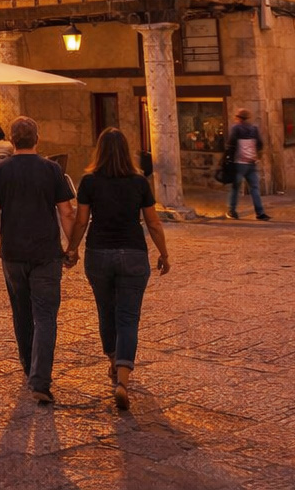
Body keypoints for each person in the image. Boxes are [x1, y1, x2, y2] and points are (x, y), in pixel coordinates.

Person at [65, 127, 171, 410]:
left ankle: (113, 360)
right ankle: (123, 380)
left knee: (106, 310)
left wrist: (72, 249)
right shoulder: (138, 182)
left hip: (99, 253)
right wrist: (164, 253)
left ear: (99, 151)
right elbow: (153, 223)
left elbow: (81, 221)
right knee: (128, 316)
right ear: (127, 151)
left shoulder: (89, 181)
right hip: (133, 253)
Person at [0, 116, 76, 406]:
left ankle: (28, 367)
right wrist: (72, 247)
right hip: (46, 253)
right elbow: (67, 212)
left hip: (13, 253)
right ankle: (41, 380)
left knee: (21, 312)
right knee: (45, 316)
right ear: (38, 138)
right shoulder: (52, 169)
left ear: (12, 140)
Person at [224, 108, 270, 221]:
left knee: (235, 188)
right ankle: (260, 213)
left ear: (239, 118)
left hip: (239, 162)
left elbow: (231, 145)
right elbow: (260, 144)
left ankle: (232, 211)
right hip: (252, 162)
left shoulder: (236, 128)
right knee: (255, 188)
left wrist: (228, 158)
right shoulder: (254, 129)